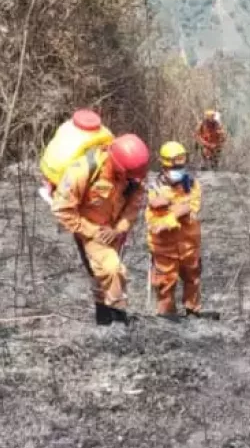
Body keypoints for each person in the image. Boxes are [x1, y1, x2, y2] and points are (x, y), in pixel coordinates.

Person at [52, 133, 150, 325]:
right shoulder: (83, 171)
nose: (132, 180)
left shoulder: (133, 177)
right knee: (113, 269)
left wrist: (119, 229)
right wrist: (91, 231)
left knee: (102, 274)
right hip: (88, 227)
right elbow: (61, 209)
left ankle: (104, 320)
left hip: (115, 230)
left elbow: (133, 206)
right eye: (127, 176)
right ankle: (118, 318)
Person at [145, 142, 218, 321]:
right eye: (174, 167)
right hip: (164, 249)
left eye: (181, 166)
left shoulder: (192, 185)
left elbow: (191, 208)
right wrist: (174, 213)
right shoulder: (153, 188)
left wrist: (170, 209)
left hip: (189, 245)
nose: (179, 170)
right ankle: (167, 316)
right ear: (164, 166)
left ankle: (193, 311)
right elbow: (154, 222)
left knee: (193, 278)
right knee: (165, 284)